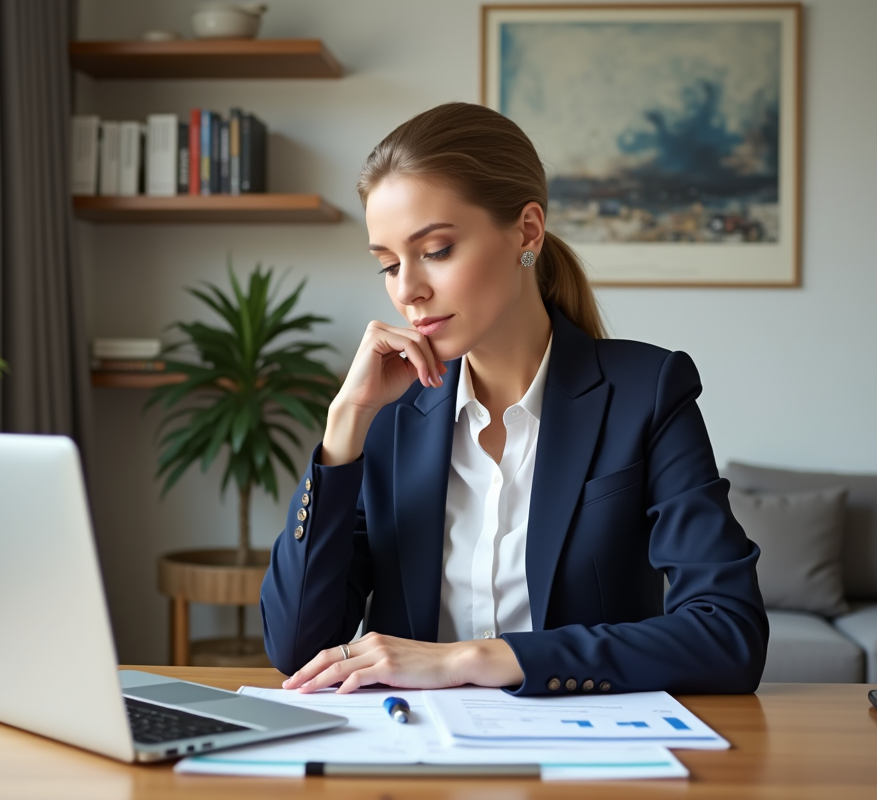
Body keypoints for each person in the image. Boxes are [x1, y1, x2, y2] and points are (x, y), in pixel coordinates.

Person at [260, 102, 768, 697]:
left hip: (583, 742)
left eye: (436, 250)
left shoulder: (646, 392)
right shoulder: (388, 414)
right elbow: (296, 648)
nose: (408, 290)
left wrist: (473, 658)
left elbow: (728, 634)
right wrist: (343, 428)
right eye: (389, 265)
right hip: (412, 744)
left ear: (527, 231)